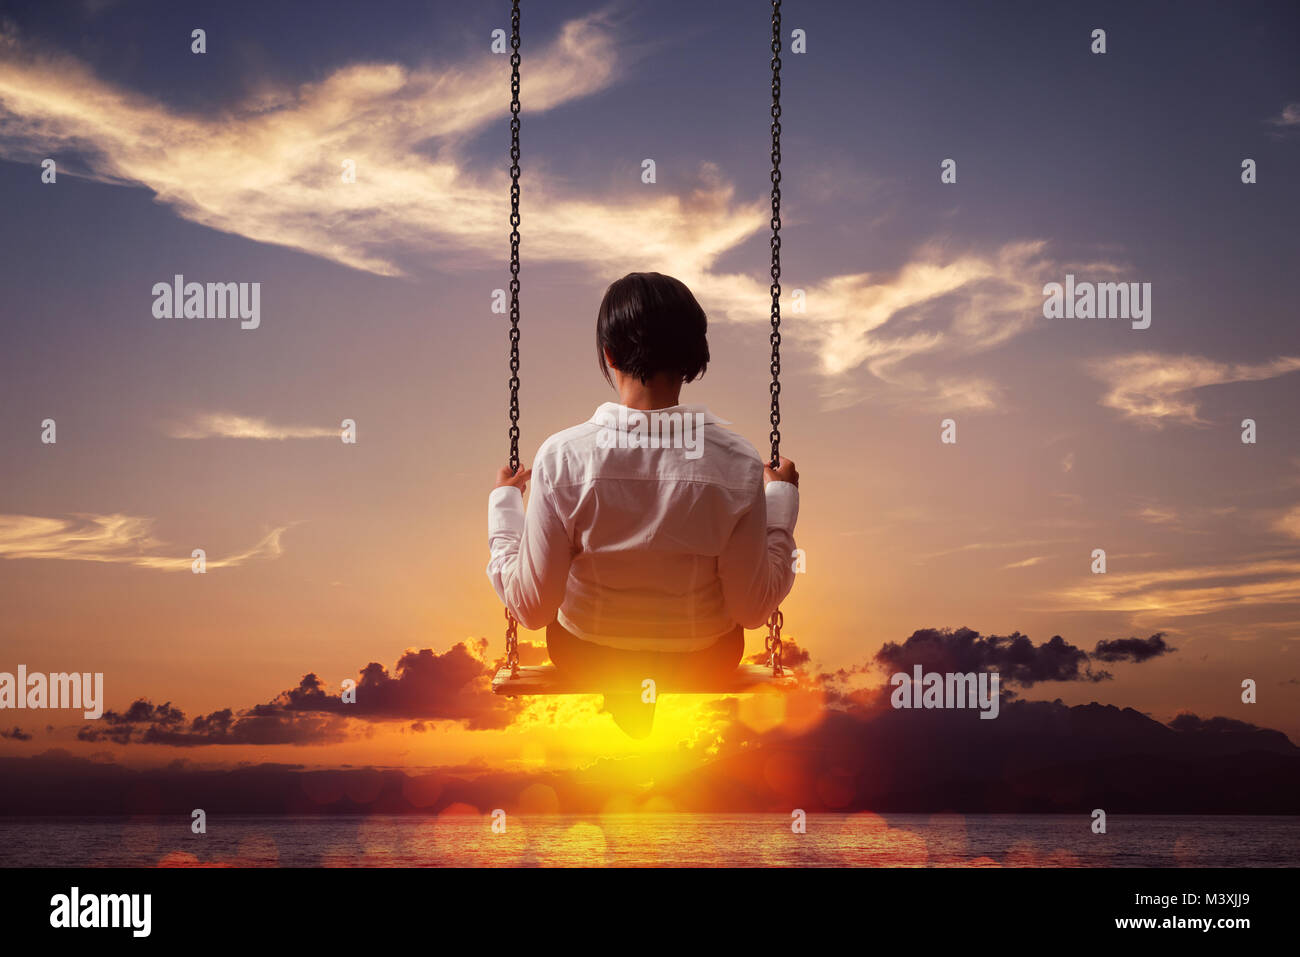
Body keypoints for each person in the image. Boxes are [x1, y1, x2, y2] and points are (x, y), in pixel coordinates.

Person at [486, 272, 800, 735]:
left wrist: (505, 504)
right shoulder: (738, 461)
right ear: (695, 357)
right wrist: (780, 501)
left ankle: (628, 689)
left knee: (578, 620)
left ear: (609, 355)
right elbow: (752, 611)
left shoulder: (563, 457)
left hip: (587, 657)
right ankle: (636, 688)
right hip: (703, 660)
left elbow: (531, 611)